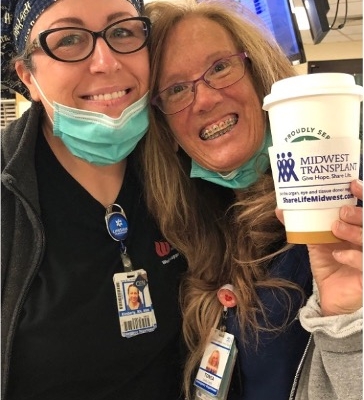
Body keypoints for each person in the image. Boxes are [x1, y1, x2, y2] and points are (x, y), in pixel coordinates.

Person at [142, 0, 363, 399]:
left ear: (260, 77)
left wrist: (349, 323)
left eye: (220, 68)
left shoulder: (347, 208)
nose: (205, 99)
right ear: (167, 130)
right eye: (176, 90)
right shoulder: (186, 232)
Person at [1, 1, 187, 399]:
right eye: (68, 39)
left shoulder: (182, 163)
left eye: (123, 32)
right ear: (27, 77)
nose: (105, 62)